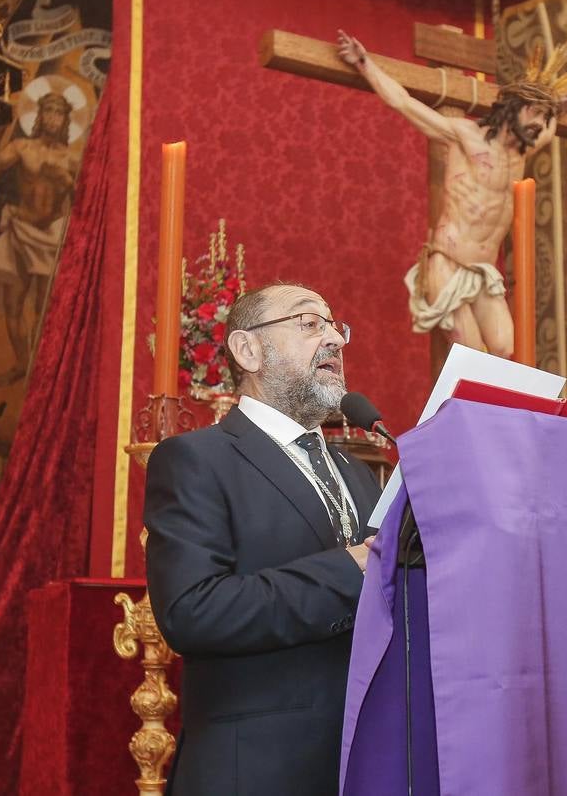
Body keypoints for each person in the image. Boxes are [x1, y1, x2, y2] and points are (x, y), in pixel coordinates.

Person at [144, 282, 380, 796]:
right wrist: (354, 567)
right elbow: (193, 612)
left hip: (363, 763)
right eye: (308, 323)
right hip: (254, 770)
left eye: (335, 326)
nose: (334, 340)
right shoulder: (196, 461)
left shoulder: (359, 474)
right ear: (247, 350)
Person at [337, 30, 567, 357]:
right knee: (470, 352)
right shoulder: (467, 137)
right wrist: (365, 63)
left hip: (483, 271)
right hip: (448, 262)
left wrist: (556, 109)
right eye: (534, 111)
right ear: (513, 108)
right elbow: (404, 103)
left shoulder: (525, 149)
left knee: (507, 348)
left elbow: (548, 127)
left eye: (544, 116)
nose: (539, 122)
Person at [0, 90, 80, 385]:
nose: (51, 117)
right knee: (14, 304)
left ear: (65, 119)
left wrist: (69, 183)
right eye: (47, 111)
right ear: (39, 116)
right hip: (21, 230)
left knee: (45, 309)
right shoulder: (22, 148)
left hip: (51, 236)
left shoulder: (72, 160)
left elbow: (86, 204)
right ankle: (23, 363)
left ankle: (44, 371)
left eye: (58, 112)